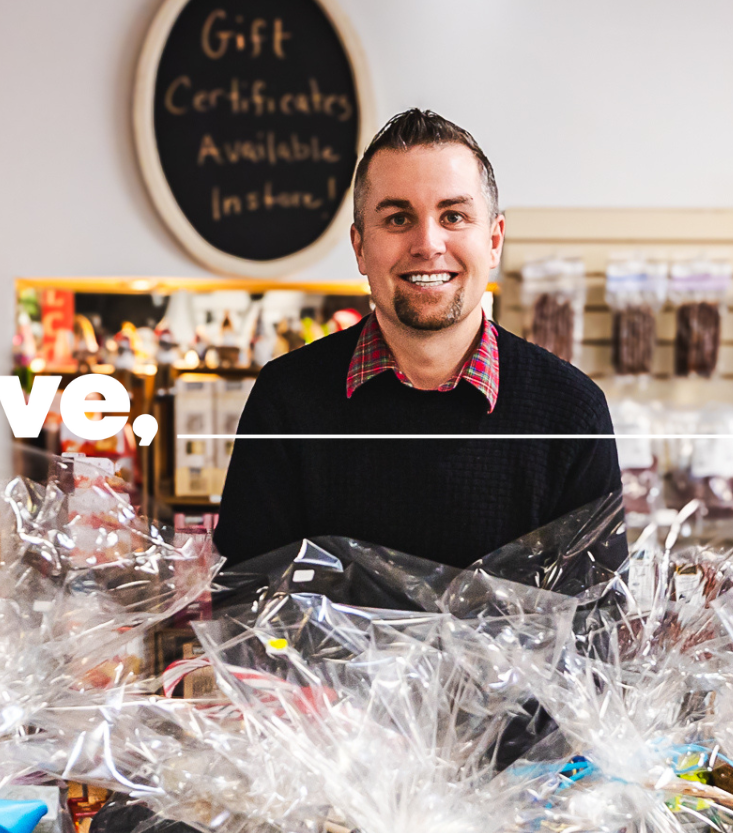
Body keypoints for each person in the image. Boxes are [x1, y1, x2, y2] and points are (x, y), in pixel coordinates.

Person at [213, 109, 625, 569]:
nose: (428, 244)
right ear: (360, 248)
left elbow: (596, 622)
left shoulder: (571, 412)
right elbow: (246, 607)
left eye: (453, 215)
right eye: (396, 219)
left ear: (494, 241)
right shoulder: (286, 400)